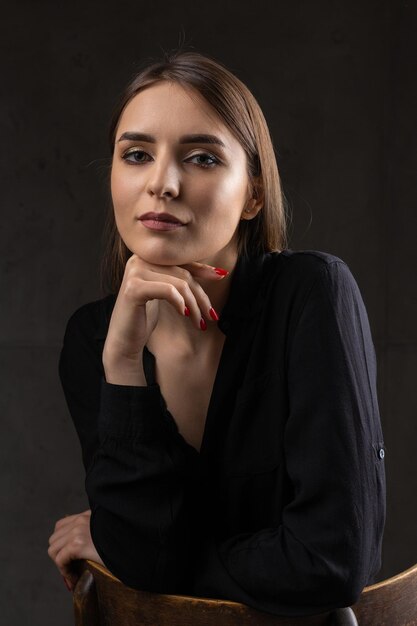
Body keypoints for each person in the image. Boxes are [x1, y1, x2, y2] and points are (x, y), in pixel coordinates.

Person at [47, 51, 385, 616]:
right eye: (136, 155)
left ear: (253, 193)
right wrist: (125, 362)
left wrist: (160, 562)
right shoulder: (93, 339)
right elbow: (142, 550)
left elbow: (332, 561)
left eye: (201, 158)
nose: (162, 184)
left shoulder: (313, 293)